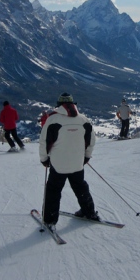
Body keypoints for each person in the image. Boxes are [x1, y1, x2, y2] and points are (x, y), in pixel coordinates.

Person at [39, 92, 99, 228]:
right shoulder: (84, 120)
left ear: (59, 105)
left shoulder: (52, 120)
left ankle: (50, 221)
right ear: (73, 104)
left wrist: (44, 159)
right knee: (80, 187)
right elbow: (91, 141)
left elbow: (43, 142)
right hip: (77, 163)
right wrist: (86, 157)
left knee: (53, 190)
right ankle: (89, 212)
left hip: (58, 164)